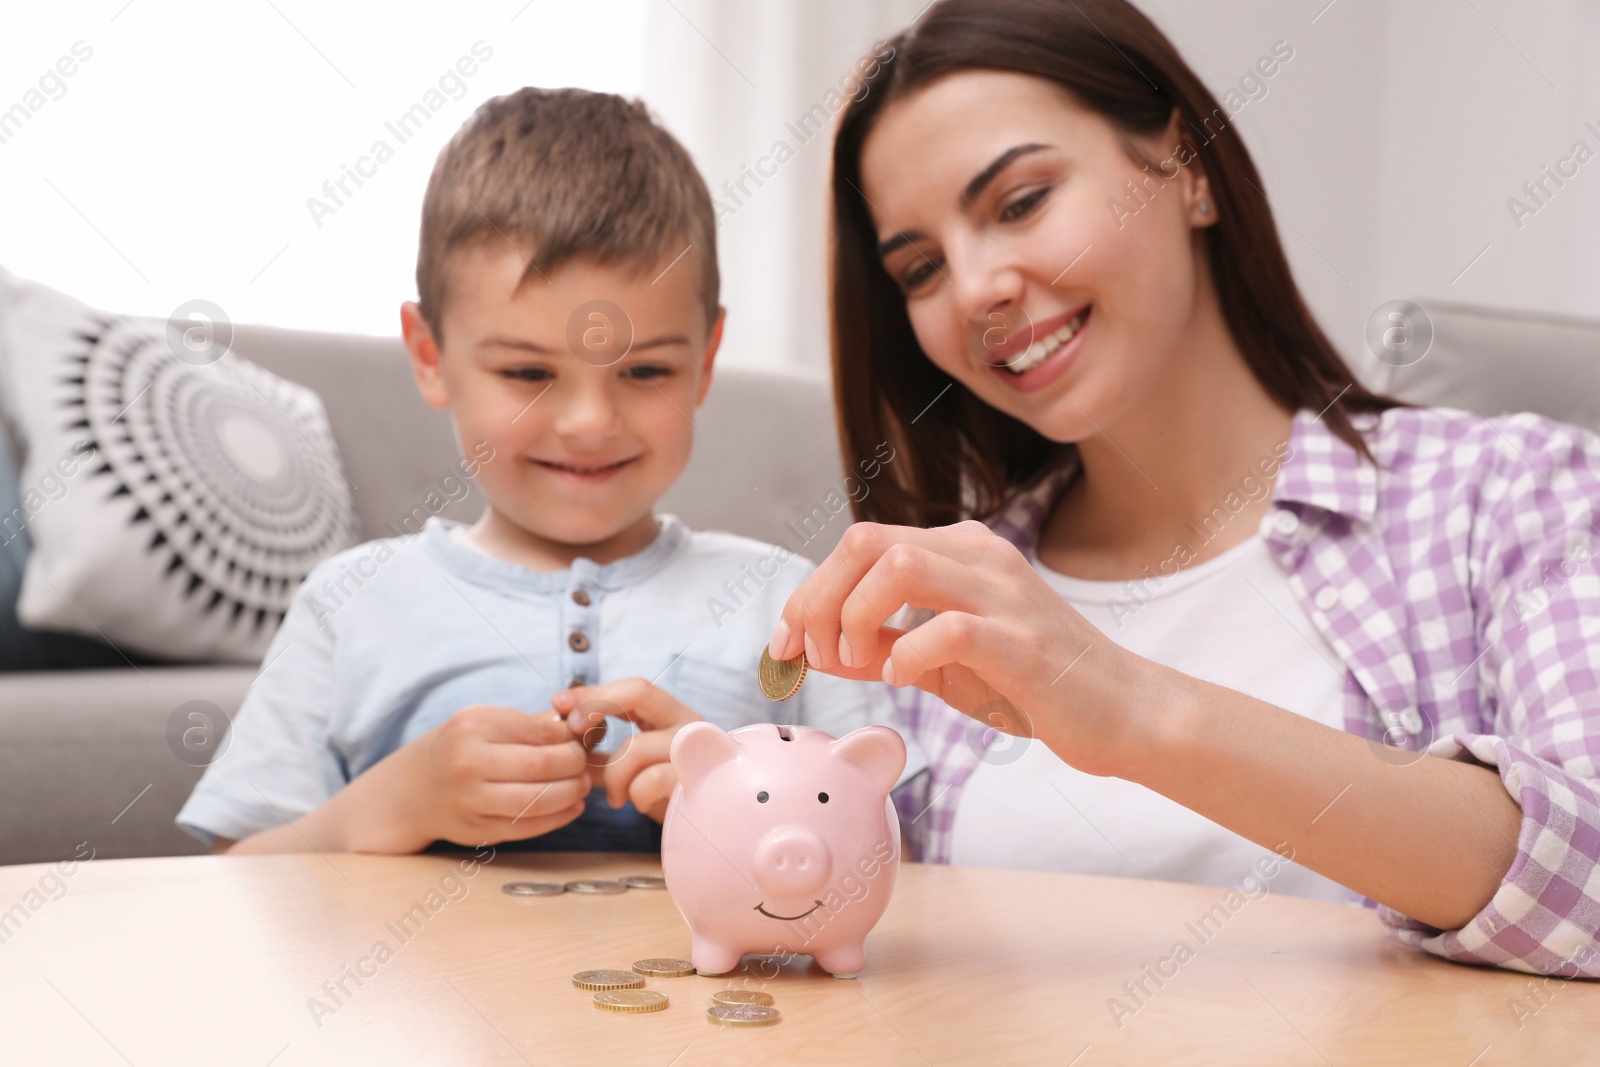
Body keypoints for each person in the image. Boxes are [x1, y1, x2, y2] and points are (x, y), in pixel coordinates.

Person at [767, 0, 1600, 978]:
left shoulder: (1512, 495)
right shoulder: (945, 596)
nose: (975, 286)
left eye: (1021, 201)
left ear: (1187, 167)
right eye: (919, 267)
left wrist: (1133, 708)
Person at [177, 87, 918, 856]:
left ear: (705, 360)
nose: (591, 420)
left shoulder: (787, 607)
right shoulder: (349, 605)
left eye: (645, 372)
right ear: (430, 356)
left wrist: (746, 805)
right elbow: (239, 880)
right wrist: (394, 805)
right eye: (530, 371)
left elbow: (904, 857)